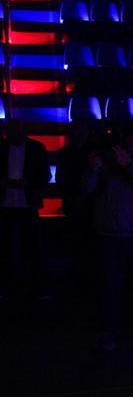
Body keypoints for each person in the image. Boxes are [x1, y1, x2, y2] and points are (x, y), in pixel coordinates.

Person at [82, 122, 133, 350]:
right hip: (111, 234)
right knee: (110, 286)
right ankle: (110, 332)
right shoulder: (106, 159)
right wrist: (92, 169)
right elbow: (87, 189)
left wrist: (128, 166)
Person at [0, 119, 50, 299]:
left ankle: (33, 286)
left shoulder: (36, 148)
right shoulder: (34, 147)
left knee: (31, 246)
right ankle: (14, 286)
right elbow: (46, 175)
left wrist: (29, 184)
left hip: (25, 203)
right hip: (9, 203)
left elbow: (44, 175)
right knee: (10, 247)